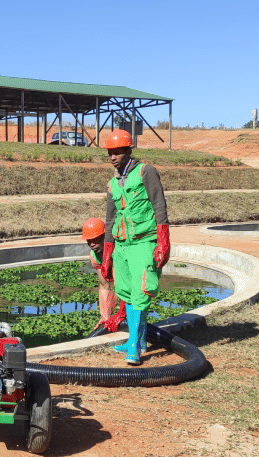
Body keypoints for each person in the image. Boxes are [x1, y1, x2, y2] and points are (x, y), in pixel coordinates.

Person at [99, 129, 170, 366]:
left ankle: (135, 348)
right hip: (122, 245)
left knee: (141, 293)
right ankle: (136, 341)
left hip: (143, 242)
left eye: (117, 152)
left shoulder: (145, 172)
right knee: (127, 293)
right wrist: (108, 253)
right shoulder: (112, 183)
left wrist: (163, 240)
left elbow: (159, 204)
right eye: (110, 152)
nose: (112, 157)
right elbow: (109, 220)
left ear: (129, 150)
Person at [82, 217, 125, 335]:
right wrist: (105, 315)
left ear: (105, 237)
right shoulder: (95, 255)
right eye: (89, 241)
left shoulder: (117, 250)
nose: (92, 244)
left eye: (95, 240)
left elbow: (120, 285)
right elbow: (104, 285)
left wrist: (121, 314)